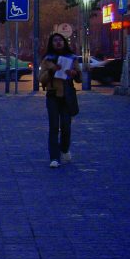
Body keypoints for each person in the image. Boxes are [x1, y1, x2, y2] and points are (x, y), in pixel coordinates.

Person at [39, 33, 81, 168]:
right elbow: (41, 79)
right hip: (52, 95)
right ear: (51, 43)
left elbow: (80, 78)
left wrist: (74, 74)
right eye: (55, 41)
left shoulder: (72, 58)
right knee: (53, 127)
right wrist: (51, 71)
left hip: (67, 95)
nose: (58, 43)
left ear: (64, 42)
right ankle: (54, 157)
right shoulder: (47, 60)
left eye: (60, 40)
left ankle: (64, 149)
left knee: (66, 127)